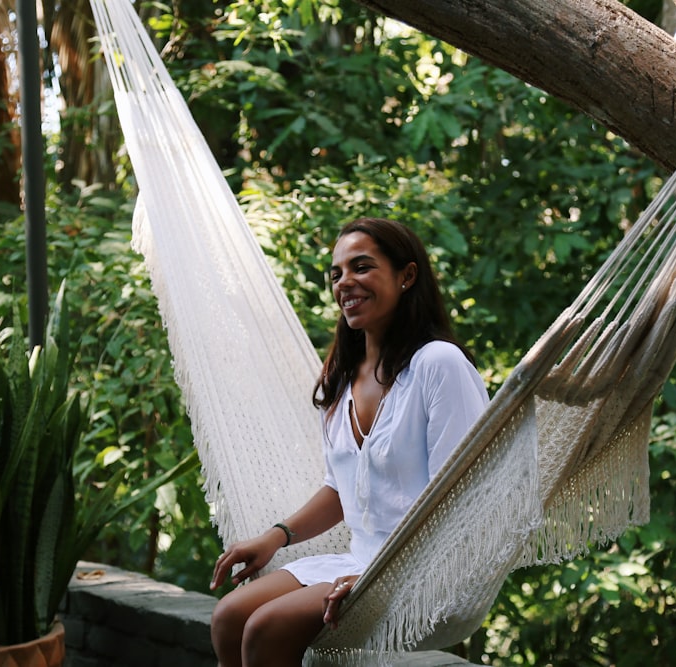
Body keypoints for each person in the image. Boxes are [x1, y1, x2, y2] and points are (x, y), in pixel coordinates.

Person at [209, 217, 489, 666]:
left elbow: (458, 501)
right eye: (336, 273)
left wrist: (375, 578)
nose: (345, 283)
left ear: (407, 275)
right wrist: (276, 537)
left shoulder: (439, 365)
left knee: (265, 629)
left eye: (361, 267)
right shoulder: (341, 378)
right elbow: (341, 488)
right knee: (229, 617)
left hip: (421, 573)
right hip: (355, 562)